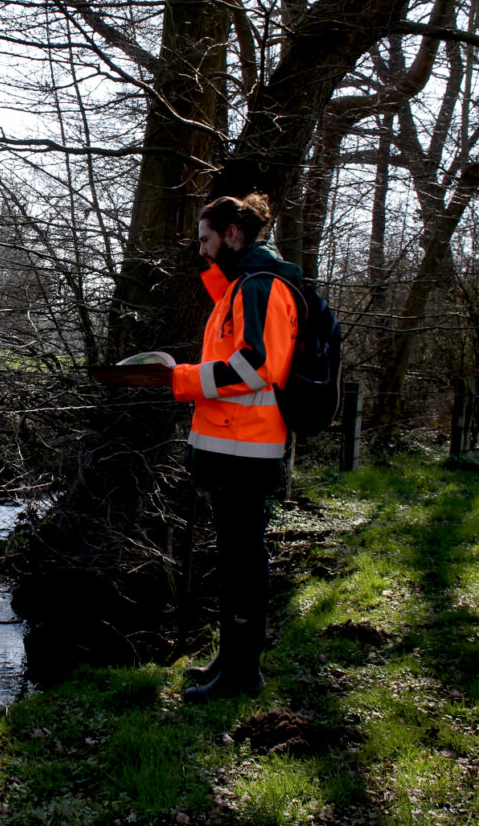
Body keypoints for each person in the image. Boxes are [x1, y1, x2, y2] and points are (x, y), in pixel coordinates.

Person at [149, 193, 300, 701]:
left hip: (248, 449)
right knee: (235, 558)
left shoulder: (258, 288)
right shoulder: (239, 289)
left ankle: (241, 672)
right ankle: (232, 659)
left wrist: (183, 378)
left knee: (243, 558)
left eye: (207, 239)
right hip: (234, 445)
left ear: (233, 234)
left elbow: (257, 367)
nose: (202, 251)